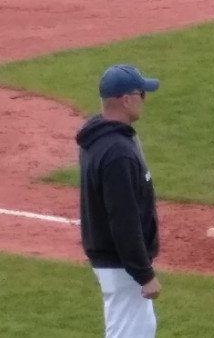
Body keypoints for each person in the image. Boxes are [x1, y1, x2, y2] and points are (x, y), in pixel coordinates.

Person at [77, 64, 163, 337]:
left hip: (113, 260)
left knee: (140, 328)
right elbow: (123, 220)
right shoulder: (117, 153)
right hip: (121, 263)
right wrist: (144, 273)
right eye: (142, 94)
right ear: (126, 100)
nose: (144, 101)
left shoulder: (99, 138)